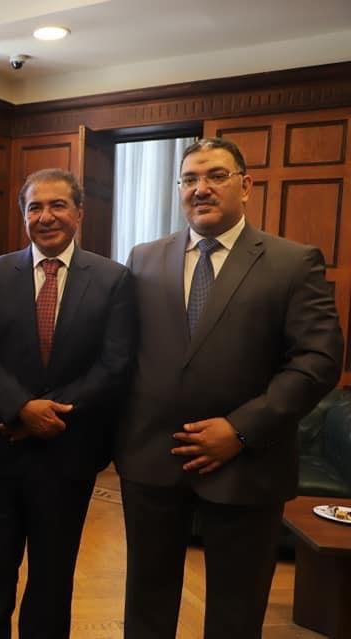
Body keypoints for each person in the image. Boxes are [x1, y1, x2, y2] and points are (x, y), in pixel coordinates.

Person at [117, 137, 343, 639]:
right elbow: (125, 354)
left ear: (246, 186)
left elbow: (318, 360)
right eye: (190, 179)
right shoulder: (143, 258)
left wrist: (240, 430)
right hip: (152, 461)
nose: (201, 188)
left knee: (236, 612)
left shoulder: (293, 261)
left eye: (216, 176)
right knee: (146, 605)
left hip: (247, 465)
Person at [0, 169, 135, 639]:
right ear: (24, 216)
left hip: (68, 451)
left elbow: (115, 363)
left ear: (79, 213)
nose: (46, 216)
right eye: (35, 207)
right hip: (1, 447)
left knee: (53, 577)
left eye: (58, 205)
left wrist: (48, 412)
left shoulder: (113, 279)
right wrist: (21, 409)